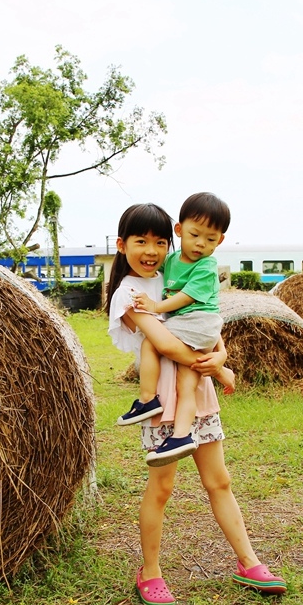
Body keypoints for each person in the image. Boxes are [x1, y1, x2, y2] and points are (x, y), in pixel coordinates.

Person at [105, 202, 287, 605]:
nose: (150, 250)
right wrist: (219, 370)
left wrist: (221, 356)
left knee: (219, 481)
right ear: (122, 246)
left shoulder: (175, 273)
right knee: (163, 488)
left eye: (158, 242)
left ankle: (249, 562)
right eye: (140, 242)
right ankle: (149, 572)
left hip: (197, 391)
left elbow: (208, 320)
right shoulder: (129, 293)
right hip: (164, 400)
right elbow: (167, 344)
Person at [120, 192, 234, 468]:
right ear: (180, 230)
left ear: (219, 241)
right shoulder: (170, 262)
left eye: (210, 239)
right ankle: (182, 435)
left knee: (151, 344)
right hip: (196, 326)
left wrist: (156, 306)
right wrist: (220, 365)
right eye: (195, 235)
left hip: (197, 324)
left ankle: (147, 399)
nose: (200, 244)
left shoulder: (206, 266)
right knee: (187, 384)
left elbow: (186, 300)